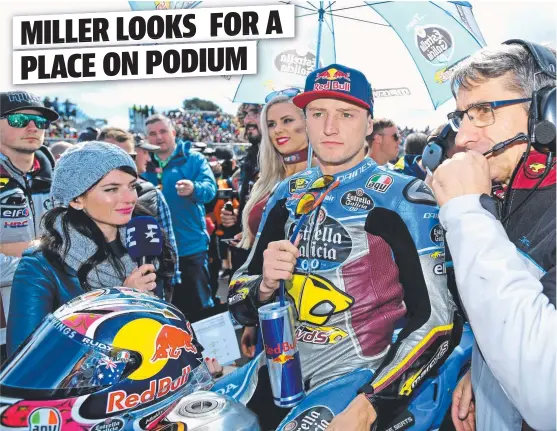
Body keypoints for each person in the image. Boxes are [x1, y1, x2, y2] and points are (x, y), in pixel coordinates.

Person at [228, 63, 460, 430]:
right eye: (318, 113)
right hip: (277, 370)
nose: (330, 127)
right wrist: (264, 286)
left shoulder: (403, 197)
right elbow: (237, 301)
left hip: (359, 379)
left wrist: (369, 404)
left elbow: (437, 324)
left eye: (346, 114)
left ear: (369, 123)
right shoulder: (288, 194)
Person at [431, 41, 556, 431]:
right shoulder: (510, 197)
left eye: (484, 111)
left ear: (547, 111)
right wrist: (486, 371)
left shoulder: (480, 209)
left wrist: (467, 214)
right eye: (461, 116)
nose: (464, 137)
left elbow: (548, 394)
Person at [6, 142, 176, 356]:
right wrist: (121, 303)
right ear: (76, 199)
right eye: (112, 189)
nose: (130, 198)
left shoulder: (146, 242)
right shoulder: (39, 266)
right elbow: (26, 360)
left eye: (132, 186)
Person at [234, 92, 314, 359]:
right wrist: (250, 320)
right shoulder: (268, 179)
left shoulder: (323, 180)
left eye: (288, 120)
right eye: (271, 123)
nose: (278, 129)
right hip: (265, 301)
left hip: (305, 312)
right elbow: (256, 255)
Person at [0, 91, 58, 362]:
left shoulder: (56, 179)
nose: (32, 127)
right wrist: (46, 265)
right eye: (19, 119)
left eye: (40, 122)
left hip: (52, 323)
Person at [143, 114, 217, 319]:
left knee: (200, 310)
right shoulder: (143, 164)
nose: (158, 137)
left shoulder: (193, 159)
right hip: (155, 254)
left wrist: (194, 188)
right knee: (166, 314)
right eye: (152, 134)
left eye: (163, 131)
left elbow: (211, 190)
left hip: (190, 248)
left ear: (173, 133)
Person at [99, 126, 181, 293]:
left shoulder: (151, 193)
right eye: (111, 158)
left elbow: (168, 244)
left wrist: (170, 279)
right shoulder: (80, 200)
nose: (121, 164)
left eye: (129, 157)